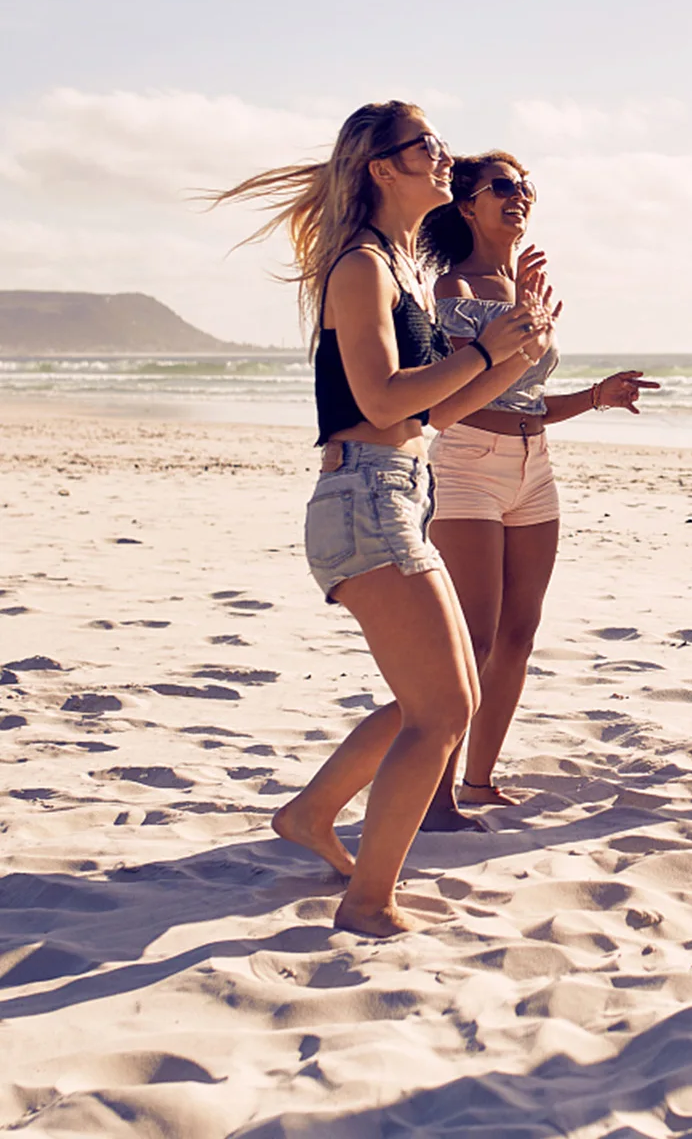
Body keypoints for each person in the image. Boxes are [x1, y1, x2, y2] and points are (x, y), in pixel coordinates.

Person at [215, 102, 555, 936]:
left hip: (399, 486)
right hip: (364, 497)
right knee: (444, 711)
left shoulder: (397, 268)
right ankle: (367, 902)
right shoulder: (362, 267)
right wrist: (482, 351)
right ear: (382, 168)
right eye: (427, 148)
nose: (444, 157)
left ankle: (310, 815)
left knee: (439, 698)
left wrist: (519, 348)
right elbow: (378, 400)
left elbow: (435, 415)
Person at [416, 150, 658, 829]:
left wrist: (598, 397)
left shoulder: (523, 289)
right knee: (477, 638)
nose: (518, 196)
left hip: (535, 469)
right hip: (466, 464)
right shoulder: (453, 293)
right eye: (502, 187)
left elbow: (529, 402)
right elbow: (460, 397)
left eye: (525, 187)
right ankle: (434, 795)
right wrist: (520, 324)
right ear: (468, 205)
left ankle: (480, 777)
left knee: (521, 634)